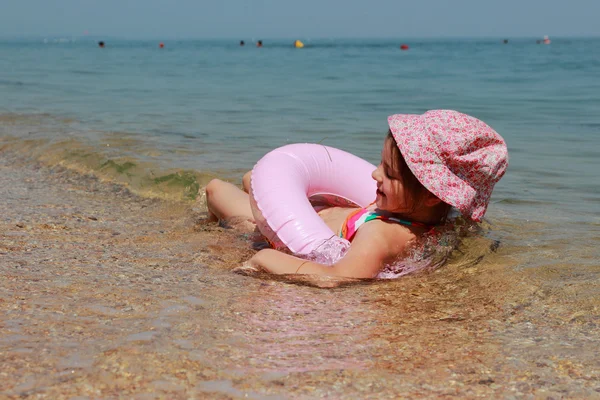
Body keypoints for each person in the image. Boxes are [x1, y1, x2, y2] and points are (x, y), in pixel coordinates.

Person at [205, 110, 508, 279]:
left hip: (286, 232)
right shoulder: (443, 219)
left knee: (216, 189)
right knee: (250, 178)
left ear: (432, 195)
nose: (375, 174)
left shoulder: (379, 236)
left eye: (388, 173)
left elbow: (337, 277)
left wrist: (264, 258)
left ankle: (216, 227)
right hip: (322, 214)